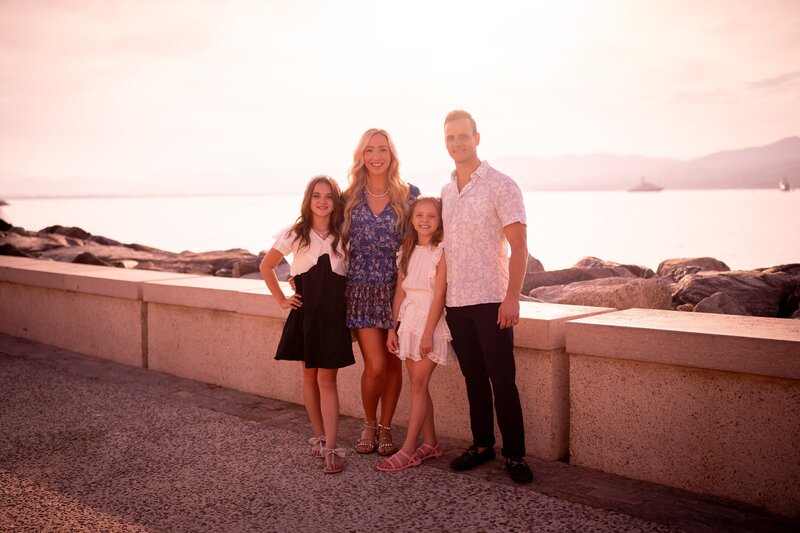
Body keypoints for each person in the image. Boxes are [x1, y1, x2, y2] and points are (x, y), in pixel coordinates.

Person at [440, 109, 534, 484]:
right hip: (456, 302)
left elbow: (520, 246)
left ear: (477, 138)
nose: (457, 143)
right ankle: (481, 446)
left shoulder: (501, 184)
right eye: (450, 138)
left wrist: (513, 297)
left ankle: (515, 454)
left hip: (492, 300)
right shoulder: (447, 190)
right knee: (472, 378)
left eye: (463, 136)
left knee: (503, 379)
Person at [259, 175, 354, 474]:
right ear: (308, 199)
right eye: (316, 195)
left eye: (328, 196)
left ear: (335, 201)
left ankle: (331, 448)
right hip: (306, 315)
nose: (322, 201)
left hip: (334, 317)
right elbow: (266, 266)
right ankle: (319, 435)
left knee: (328, 380)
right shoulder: (296, 232)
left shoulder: (344, 235)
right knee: (309, 377)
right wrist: (282, 300)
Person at [341, 128, 420, 456]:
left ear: (392, 154)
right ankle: (369, 423)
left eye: (383, 149)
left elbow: (423, 241)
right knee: (374, 365)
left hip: (397, 291)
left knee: (392, 364)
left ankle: (386, 429)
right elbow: (328, 241)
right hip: (360, 290)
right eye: (370, 150)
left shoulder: (409, 195)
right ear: (361, 155)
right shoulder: (348, 198)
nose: (376, 156)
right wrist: (301, 274)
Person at [378, 196, 455, 471]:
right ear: (412, 220)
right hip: (407, 320)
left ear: (440, 220)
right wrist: (391, 329)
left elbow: (438, 296)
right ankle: (431, 443)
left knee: (419, 385)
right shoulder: (406, 250)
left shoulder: (442, 250)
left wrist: (427, 335)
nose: (425, 221)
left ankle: (409, 450)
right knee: (418, 385)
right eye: (419, 215)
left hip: (430, 323)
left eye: (431, 216)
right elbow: (399, 293)